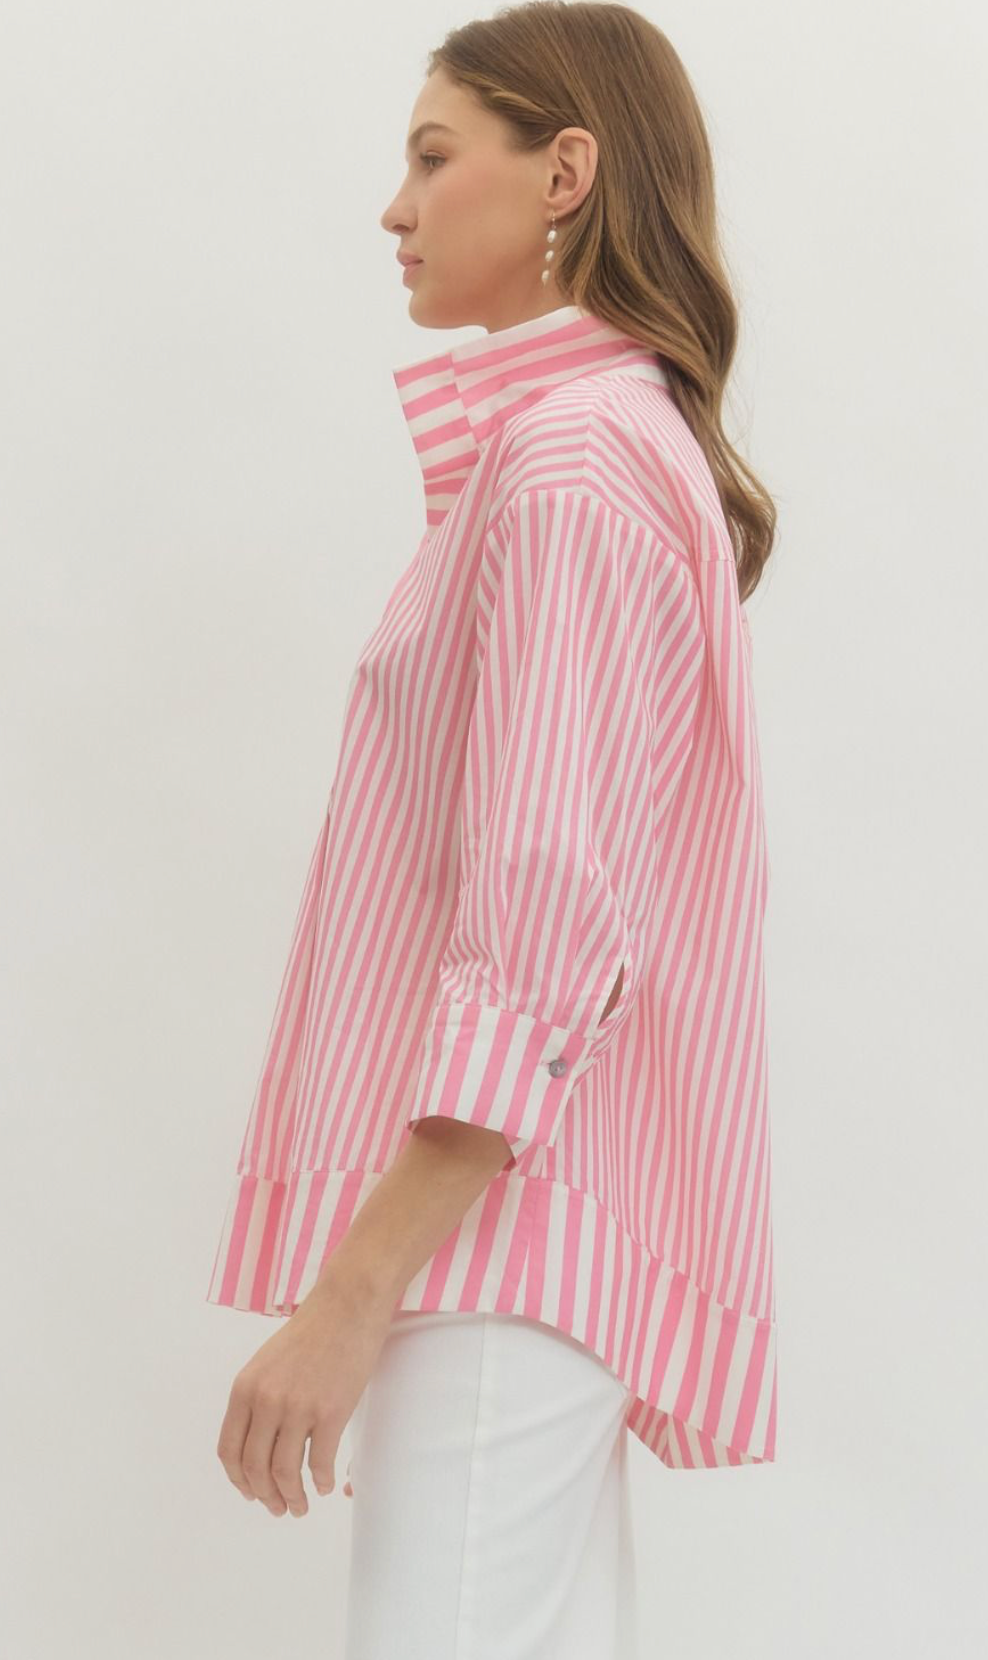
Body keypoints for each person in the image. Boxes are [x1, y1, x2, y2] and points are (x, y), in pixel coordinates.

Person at [209, 5, 780, 1655]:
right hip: (529, 1246)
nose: (395, 206)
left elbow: (542, 932)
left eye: (433, 154)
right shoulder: (599, 453)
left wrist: (353, 1287)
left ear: (566, 176)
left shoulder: (573, 465)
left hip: (496, 1250)